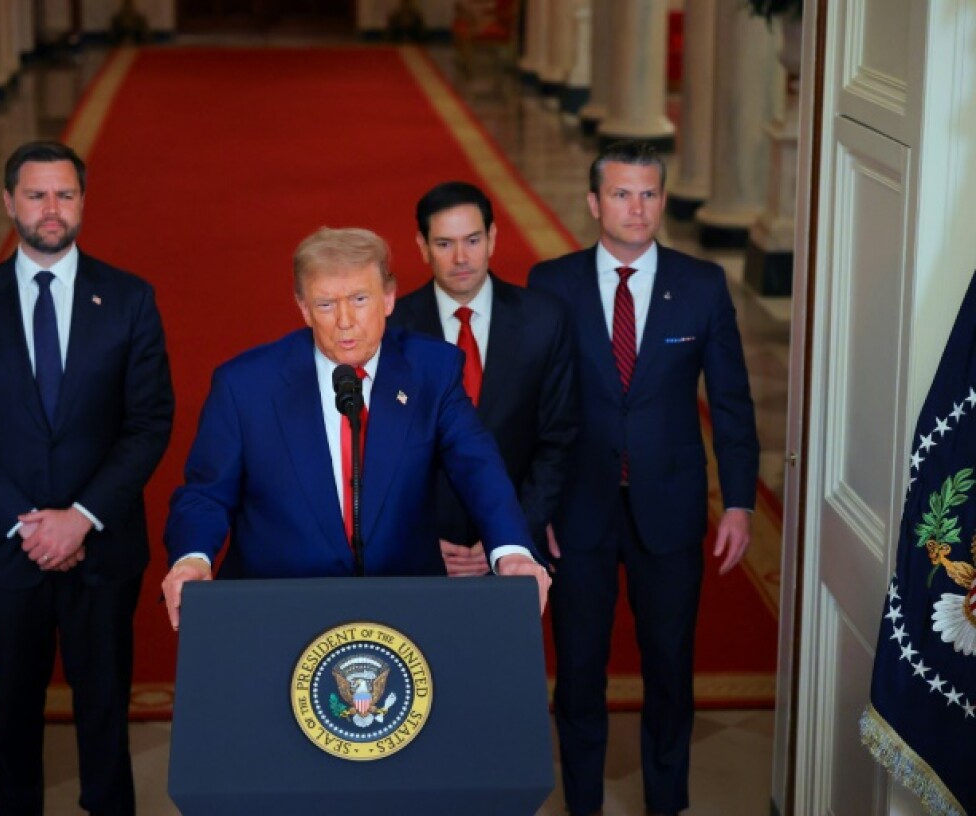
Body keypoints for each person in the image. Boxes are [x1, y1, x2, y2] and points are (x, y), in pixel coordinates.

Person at [0, 140, 175, 816]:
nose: (51, 209)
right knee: (13, 711)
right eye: (36, 195)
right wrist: (28, 526)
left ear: (83, 202)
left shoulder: (129, 299)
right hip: (8, 549)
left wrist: (80, 519)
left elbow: (149, 422)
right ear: (8, 202)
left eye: (64, 195)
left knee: (106, 706)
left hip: (103, 547)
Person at [527, 141, 759, 816]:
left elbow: (733, 403)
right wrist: (535, 509)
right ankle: (584, 803)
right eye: (622, 194)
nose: (637, 208)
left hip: (672, 507)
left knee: (669, 667)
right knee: (578, 673)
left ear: (662, 200)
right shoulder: (551, 284)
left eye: (649, 194)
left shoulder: (703, 285)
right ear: (595, 203)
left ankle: (666, 802)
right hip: (577, 512)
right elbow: (533, 406)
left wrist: (739, 503)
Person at [161, 226, 550, 628]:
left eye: (360, 300)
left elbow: (478, 467)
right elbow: (206, 494)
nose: (345, 321)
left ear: (388, 298)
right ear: (304, 308)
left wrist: (511, 551)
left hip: (403, 612)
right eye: (326, 304)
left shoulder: (432, 371)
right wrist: (192, 559)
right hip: (277, 613)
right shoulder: (245, 385)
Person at [390, 180, 577, 576]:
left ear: (492, 238)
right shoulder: (393, 331)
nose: (461, 257)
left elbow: (557, 440)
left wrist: (510, 538)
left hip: (516, 553)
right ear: (422, 247)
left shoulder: (543, 320)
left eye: (472, 240)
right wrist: (418, 540)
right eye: (444, 244)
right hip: (424, 553)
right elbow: (380, 452)